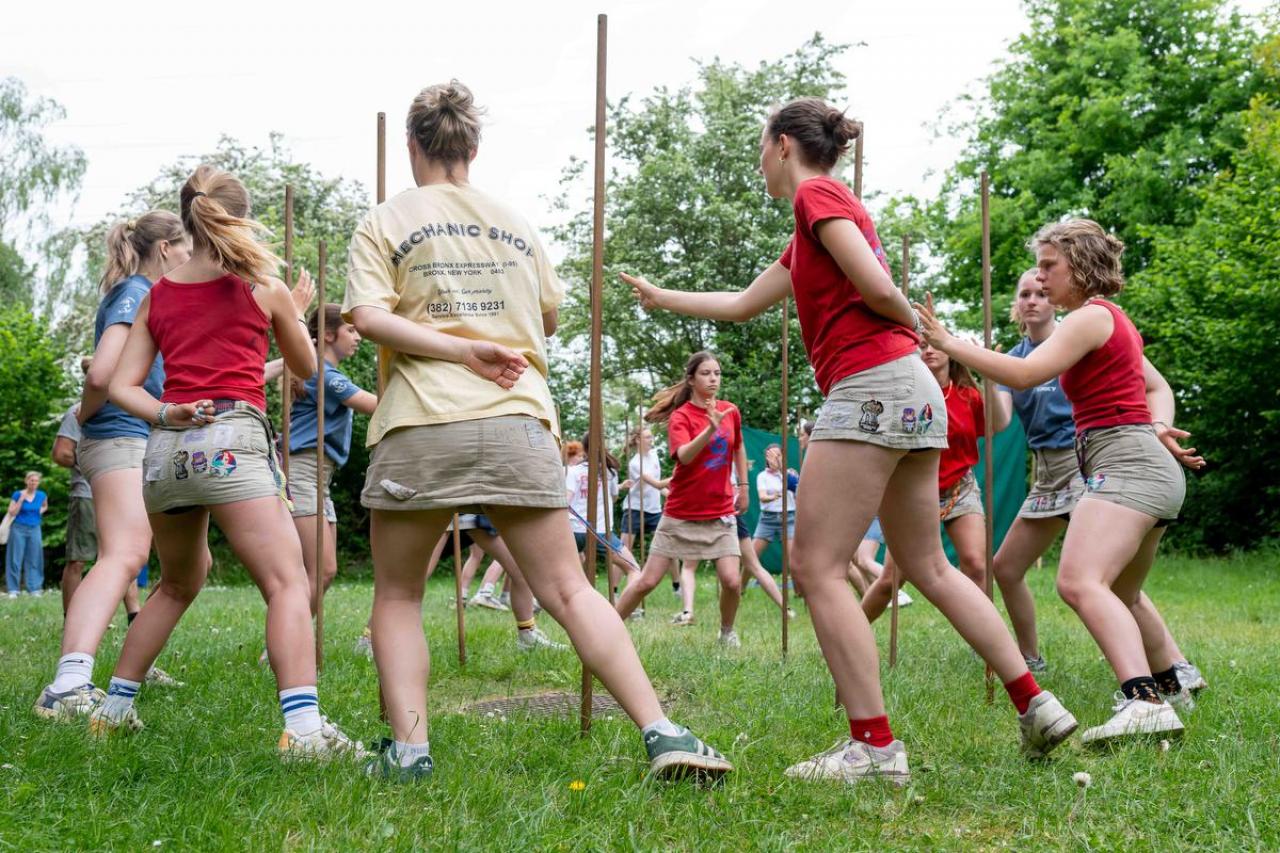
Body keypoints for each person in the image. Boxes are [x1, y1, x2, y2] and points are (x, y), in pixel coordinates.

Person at [622, 97, 1076, 783]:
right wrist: (663, 296)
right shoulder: (810, 230)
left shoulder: (818, 196)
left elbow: (875, 284)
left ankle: (874, 747)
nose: (759, 161)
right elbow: (743, 304)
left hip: (871, 385)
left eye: (760, 147)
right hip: (910, 391)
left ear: (782, 144)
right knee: (930, 567)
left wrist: (910, 319)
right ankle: (1036, 703)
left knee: (815, 565)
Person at [343, 81, 730, 781]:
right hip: (517, 418)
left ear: (411, 145)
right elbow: (547, 319)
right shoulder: (515, 224)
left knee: (399, 595)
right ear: (473, 147)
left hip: (422, 422)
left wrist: (456, 344)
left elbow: (367, 317)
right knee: (572, 590)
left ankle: (409, 751)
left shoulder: (386, 219)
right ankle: (662, 731)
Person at [86, 163, 362, 758]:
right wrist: (295, 312)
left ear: (189, 219)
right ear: (240, 218)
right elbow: (307, 368)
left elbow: (121, 386)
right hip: (234, 443)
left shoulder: (158, 294)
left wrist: (168, 413)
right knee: (287, 582)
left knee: (175, 584)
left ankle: (112, 711)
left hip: (166, 452)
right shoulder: (263, 285)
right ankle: (304, 731)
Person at [916, 218, 1206, 745]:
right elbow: (1148, 388)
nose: (1041, 277)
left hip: (1126, 465)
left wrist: (948, 343)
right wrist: (1158, 427)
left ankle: (1143, 702)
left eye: (1049, 266)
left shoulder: (1091, 317)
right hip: (1141, 465)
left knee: (1078, 582)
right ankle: (1174, 684)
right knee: (1122, 589)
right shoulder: (1107, 320)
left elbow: (1026, 374)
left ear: (1081, 265)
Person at [988, 268, 1207, 695]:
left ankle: (1168, 674)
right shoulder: (1013, 356)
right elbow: (1001, 420)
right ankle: (1032, 658)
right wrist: (990, 374)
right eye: (1025, 293)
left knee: (1097, 581)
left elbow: (1153, 387)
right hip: (1048, 471)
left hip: (1090, 462)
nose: (1034, 298)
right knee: (1008, 567)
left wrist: (1157, 426)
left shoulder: (1085, 328)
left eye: (1041, 289)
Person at [33, 212, 191, 719]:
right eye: (186, 250)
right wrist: (85, 415)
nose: (190, 259)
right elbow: (102, 373)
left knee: (183, 566)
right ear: (165, 248)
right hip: (119, 434)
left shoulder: (145, 294)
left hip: (139, 436)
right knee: (123, 554)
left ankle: (125, 676)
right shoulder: (135, 292)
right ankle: (67, 684)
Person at [860, 341, 1012, 620]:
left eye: (934, 344)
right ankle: (845, 636)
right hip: (913, 492)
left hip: (959, 489)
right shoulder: (905, 394)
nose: (928, 350)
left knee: (977, 565)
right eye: (921, 345)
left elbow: (998, 425)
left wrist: (989, 381)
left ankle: (984, 638)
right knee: (891, 580)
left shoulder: (967, 396)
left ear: (950, 351)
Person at [613, 352, 748, 647]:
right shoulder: (682, 416)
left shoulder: (730, 410)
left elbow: (738, 447)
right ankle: (607, 630)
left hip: (720, 509)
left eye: (717, 373)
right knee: (647, 581)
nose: (713, 379)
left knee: (732, 580)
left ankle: (726, 632)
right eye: (706, 373)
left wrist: (744, 485)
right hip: (681, 512)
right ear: (691, 379)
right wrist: (710, 429)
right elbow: (684, 456)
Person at [276, 305, 377, 617]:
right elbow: (373, 405)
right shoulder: (323, 373)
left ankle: (293, 635)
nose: (358, 337)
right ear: (329, 335)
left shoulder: (323, 372)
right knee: (320, 570)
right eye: (351, 330)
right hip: (303, 470)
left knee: (324, 571)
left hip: (319, 475)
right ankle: (288, 637)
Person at [565, 436, 640, 596]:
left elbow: (566, 501)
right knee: (633, 569)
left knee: (560, 571)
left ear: (584, 449)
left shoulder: (573, 471)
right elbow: (613, 498)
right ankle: (625, 606)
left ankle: (540, 600)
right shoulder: (609, 471)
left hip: (574, 530)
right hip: (600, 532)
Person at [52, 393, 96, 613]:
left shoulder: (125, 407)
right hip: (87, 494)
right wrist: (90, 464)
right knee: (78, 560)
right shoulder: (78, 410)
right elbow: (61, 453)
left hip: (118, 495)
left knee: (120, 557)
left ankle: (132, 615)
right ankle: (71, 619)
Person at [619, 426, 667, 556]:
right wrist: (679, 476)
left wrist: (671, 495)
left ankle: (675, 574)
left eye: (651, 436)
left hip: (654, 510)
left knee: (667, 548)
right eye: (647, 437)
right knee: (623, 551)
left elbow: (657, 485)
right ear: (638, 440)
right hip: (635, 509)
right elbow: (656, 484)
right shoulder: (635, 463)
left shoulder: (654, 455)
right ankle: (617, 570)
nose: (651, 440)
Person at [6, 472, 48, 597]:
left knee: (35, 558)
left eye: (36, 481)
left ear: (38, 482)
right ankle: (13, 589)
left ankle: (34, 588)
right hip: (18, 528)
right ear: (26, 481)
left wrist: (39, 512)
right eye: (31, 480)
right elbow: (12, 512)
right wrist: (21, 500)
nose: (33, 483)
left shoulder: (41, 495)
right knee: (15, 558)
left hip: (35, 528)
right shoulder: (17, 494)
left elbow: (45, 506)